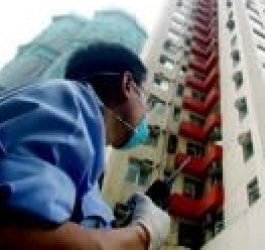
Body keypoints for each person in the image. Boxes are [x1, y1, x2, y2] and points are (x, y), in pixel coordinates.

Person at [0, 42, 170, 249]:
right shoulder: (73, 107)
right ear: (128, 85)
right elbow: (20, 235)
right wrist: (144, 234)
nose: (146, 113)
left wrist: (119, 229)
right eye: (147, 99)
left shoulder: (87, 153)